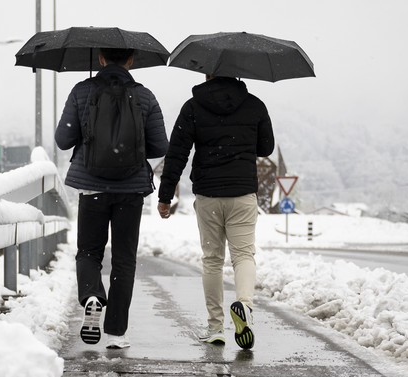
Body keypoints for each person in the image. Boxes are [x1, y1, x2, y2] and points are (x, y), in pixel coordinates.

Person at [55, 48, 168, 349]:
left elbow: (63, 139)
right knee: (124, 259)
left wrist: (90, 133)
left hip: (91, 186)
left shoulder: (82, 91)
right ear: (131, 60)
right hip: (130, 190)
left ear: (101, 59)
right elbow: (160, 146)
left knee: (89, 252)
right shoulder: (144, 96)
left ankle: (92, 294)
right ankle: (117, 332)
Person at [156, 75, 274, 349]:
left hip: (209, 195)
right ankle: (244, 306)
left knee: (212, 260)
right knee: (243, 255)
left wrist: (165, 195)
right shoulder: (255, 105)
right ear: (238, 73)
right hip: (242, 194)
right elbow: (265, 148)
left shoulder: (193, 107)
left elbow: (177, 153)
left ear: (208, 74)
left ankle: (216, 327)